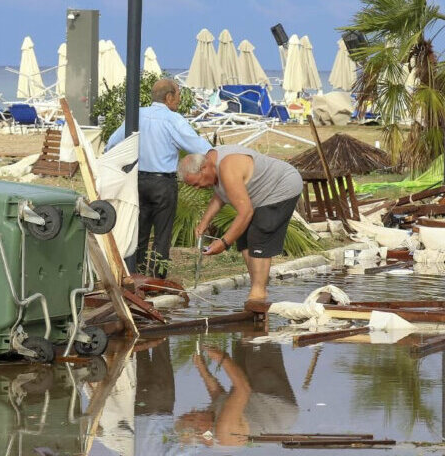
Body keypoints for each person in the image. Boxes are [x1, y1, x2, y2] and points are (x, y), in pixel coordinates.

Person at [105, 78, 211, 278]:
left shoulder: (137, 114)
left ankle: (135, 275)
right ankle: (156, 280)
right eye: (178, 95)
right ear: (169, 97)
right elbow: (197, 146)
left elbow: (112, 143)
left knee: (138, 232)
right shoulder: (172, 119)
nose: (179, 100)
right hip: (163, 183)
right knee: (162, 235)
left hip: (137, 181)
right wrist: (218, 155)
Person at [177, 145, 302, 301]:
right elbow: (220, 194)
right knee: (244, 238)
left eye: (197, 183)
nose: (197, 188)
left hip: (282, 185)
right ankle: (257, 288)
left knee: (259, 233)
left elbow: (246, 212)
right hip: (260, 196)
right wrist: (204, 222)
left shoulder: (228, 167)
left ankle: (258, 293)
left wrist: (224, 242)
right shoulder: (211, 161)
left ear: (204, 168)